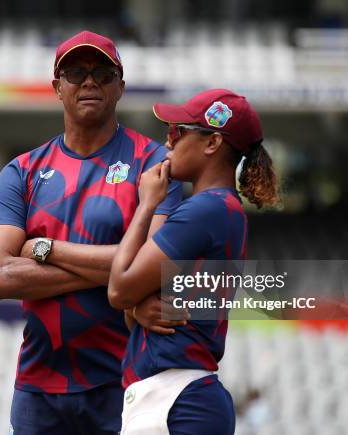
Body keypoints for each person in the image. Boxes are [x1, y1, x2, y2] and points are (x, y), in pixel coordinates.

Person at [0, 30, 182, 435]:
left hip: (126, 384)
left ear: (120, 87)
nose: (89, 81)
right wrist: (119, 271)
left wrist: (46, 249)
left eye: (103, 73)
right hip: (38, 390)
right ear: (57, 88)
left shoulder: (156, 164)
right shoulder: (21, 172)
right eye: (75, 73)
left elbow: (158, 264)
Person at [108, 89, 280, 434]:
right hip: (176, 396)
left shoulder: (206, 209)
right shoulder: (219, 208)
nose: (168, 141)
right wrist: (137, 308)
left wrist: (147, 205)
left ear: (213, 143)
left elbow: (119, 288)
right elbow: (134, 309)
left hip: (178, 399)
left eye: (178, 131)